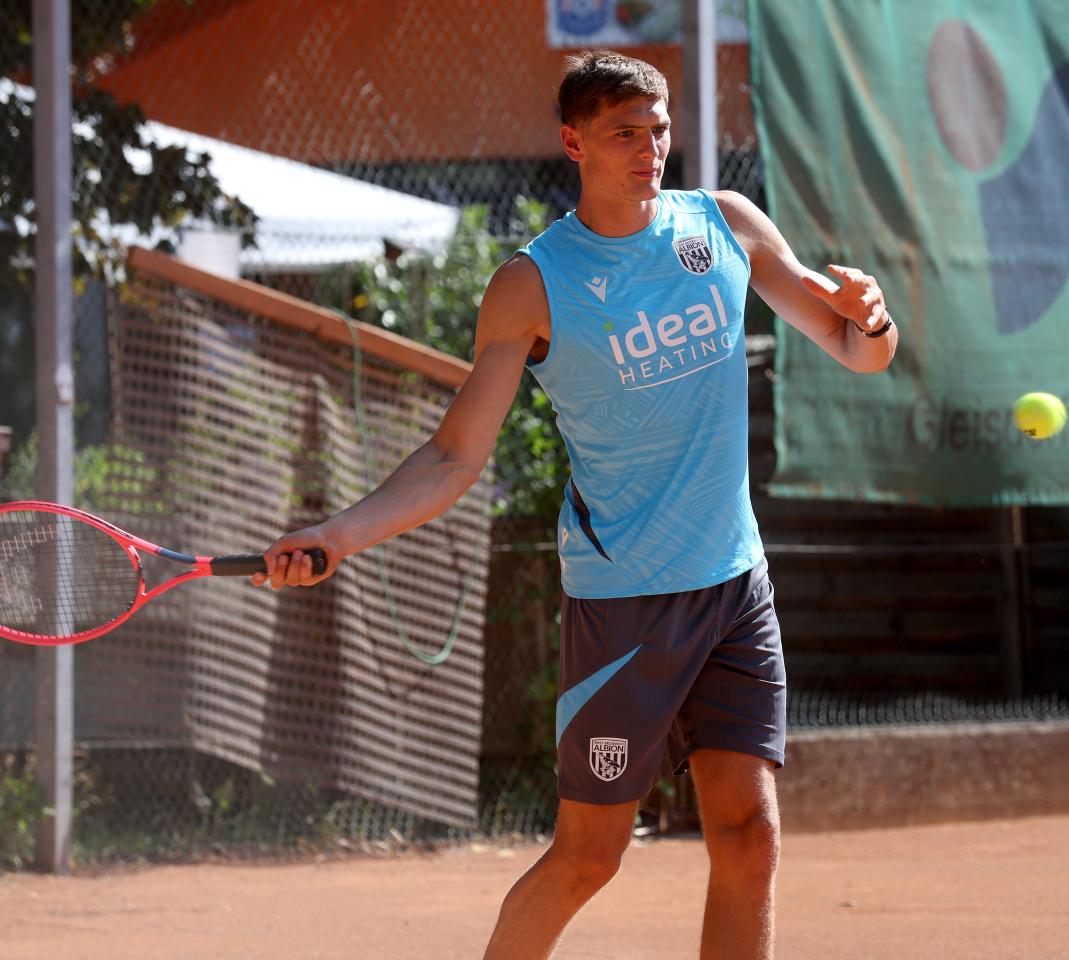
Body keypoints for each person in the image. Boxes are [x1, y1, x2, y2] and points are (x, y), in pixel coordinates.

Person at [254, 50, 896, 960]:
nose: (650, 148)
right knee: (591, 857)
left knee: (749, 838)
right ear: (573, 142)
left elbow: (856, 348)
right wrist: (339, 534)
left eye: (660, 128)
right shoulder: (533, 282)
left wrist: (871, 317)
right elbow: (453, 453)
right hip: (624, 606)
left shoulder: (724, 227)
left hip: (735, 586)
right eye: (624, 133)